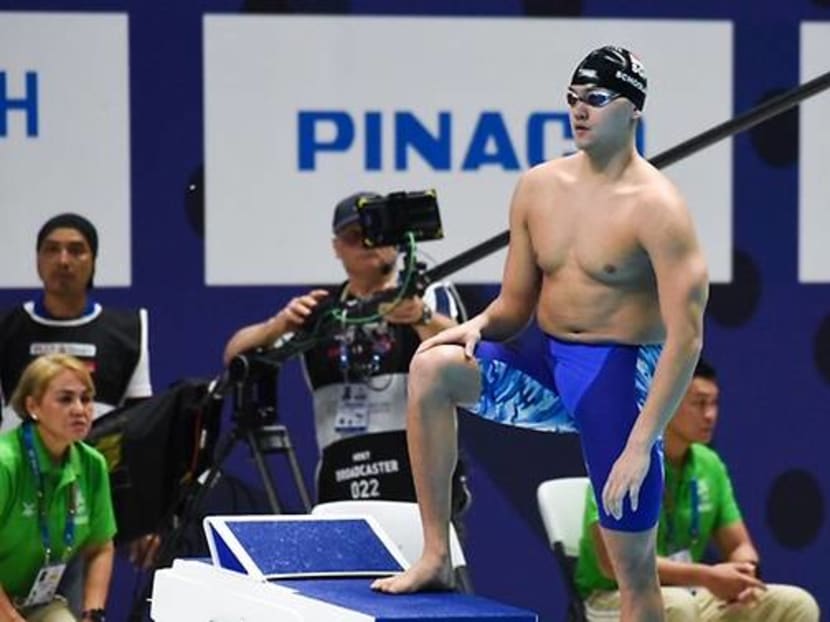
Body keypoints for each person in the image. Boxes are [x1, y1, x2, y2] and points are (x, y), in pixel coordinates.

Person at [371, 45, 709, 622]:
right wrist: (475, 327)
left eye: (596, 100)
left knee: (633, 575)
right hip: (543, 362)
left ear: (632, 111)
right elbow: (512, 306)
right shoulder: (537, 187)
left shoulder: (659, 209)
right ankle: (434, 555)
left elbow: (688, 339)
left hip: (618, 381)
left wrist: (638, 442)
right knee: (431, 370)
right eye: (573, 99)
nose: (579, 111)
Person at [223, 191, 470, 518]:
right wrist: (278, 325)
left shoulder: (428, 294)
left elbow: (466, 361)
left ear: (396, 241)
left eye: (376, 234)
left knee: (434, 568)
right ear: (336, 247)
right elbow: (235, 356)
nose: (367, 244)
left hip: (421, 475)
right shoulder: (321, 311)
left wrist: (420, 317)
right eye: (355, 236)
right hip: (340, 479)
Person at [575, 358, 820, 621]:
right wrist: (707, 576)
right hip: (616, 595)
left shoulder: (709, 464)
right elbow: (616, 564)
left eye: (715, 403)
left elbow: (739, 544)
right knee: (679, 606)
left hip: (689, 594)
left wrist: (744, 573)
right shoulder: (623, 462)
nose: (710, 415)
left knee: (796, 604)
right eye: (699, 403)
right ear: (666, 400)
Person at [0, 213, 153, 430]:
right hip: (19, 462)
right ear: (38, 260)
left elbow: (140, 425)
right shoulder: (6, 328)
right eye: (52, 250)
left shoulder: (129, 332)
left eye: (76, 251)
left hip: (100, 462)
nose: (63, 261)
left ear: (93, 261)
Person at [0, 354, 117, 622]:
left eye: (86, 399)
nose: (80, 409)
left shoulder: (92, 464)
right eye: (65, 399)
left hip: (34, 600)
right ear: (33, 406)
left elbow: (101, 546)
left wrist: (93, 613)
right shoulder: (5, 463)